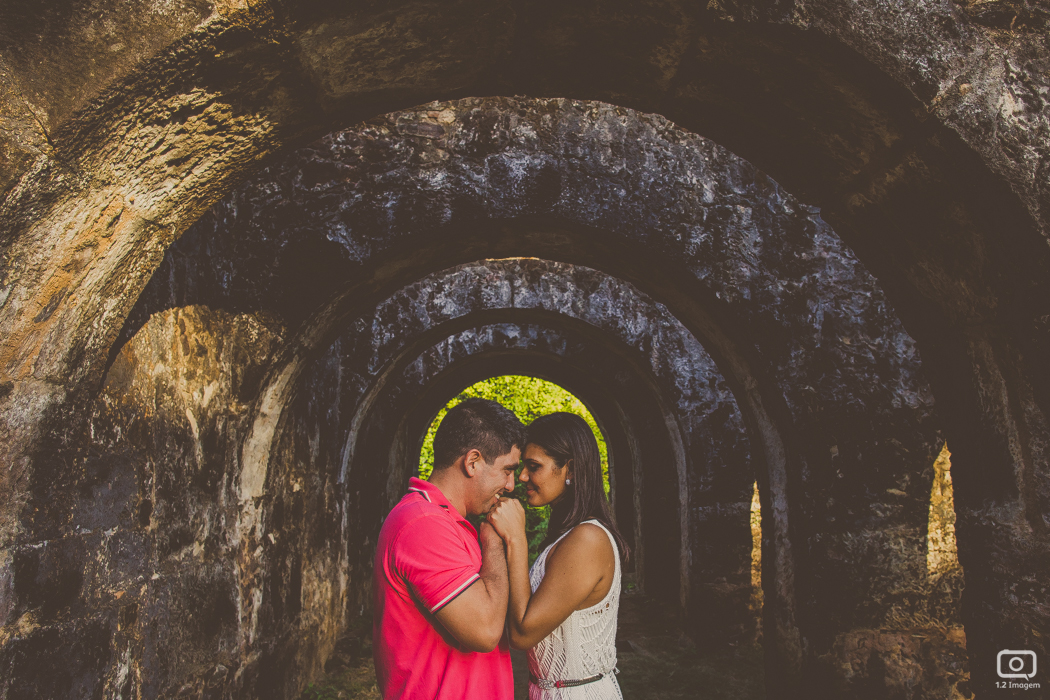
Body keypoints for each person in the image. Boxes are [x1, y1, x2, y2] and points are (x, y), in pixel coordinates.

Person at [372, 398, 524, 699]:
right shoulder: (423, 525)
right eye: (507, 470)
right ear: (473, 462)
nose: (510, 485)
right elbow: (485, 630)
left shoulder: (443, 520)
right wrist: (494, 540)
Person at [488, 412, 630, 699]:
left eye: (534, 466)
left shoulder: (588, 539)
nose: (523, 477)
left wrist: (516, 538)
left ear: (572, 470)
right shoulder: (569, 535)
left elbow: (522, 633)